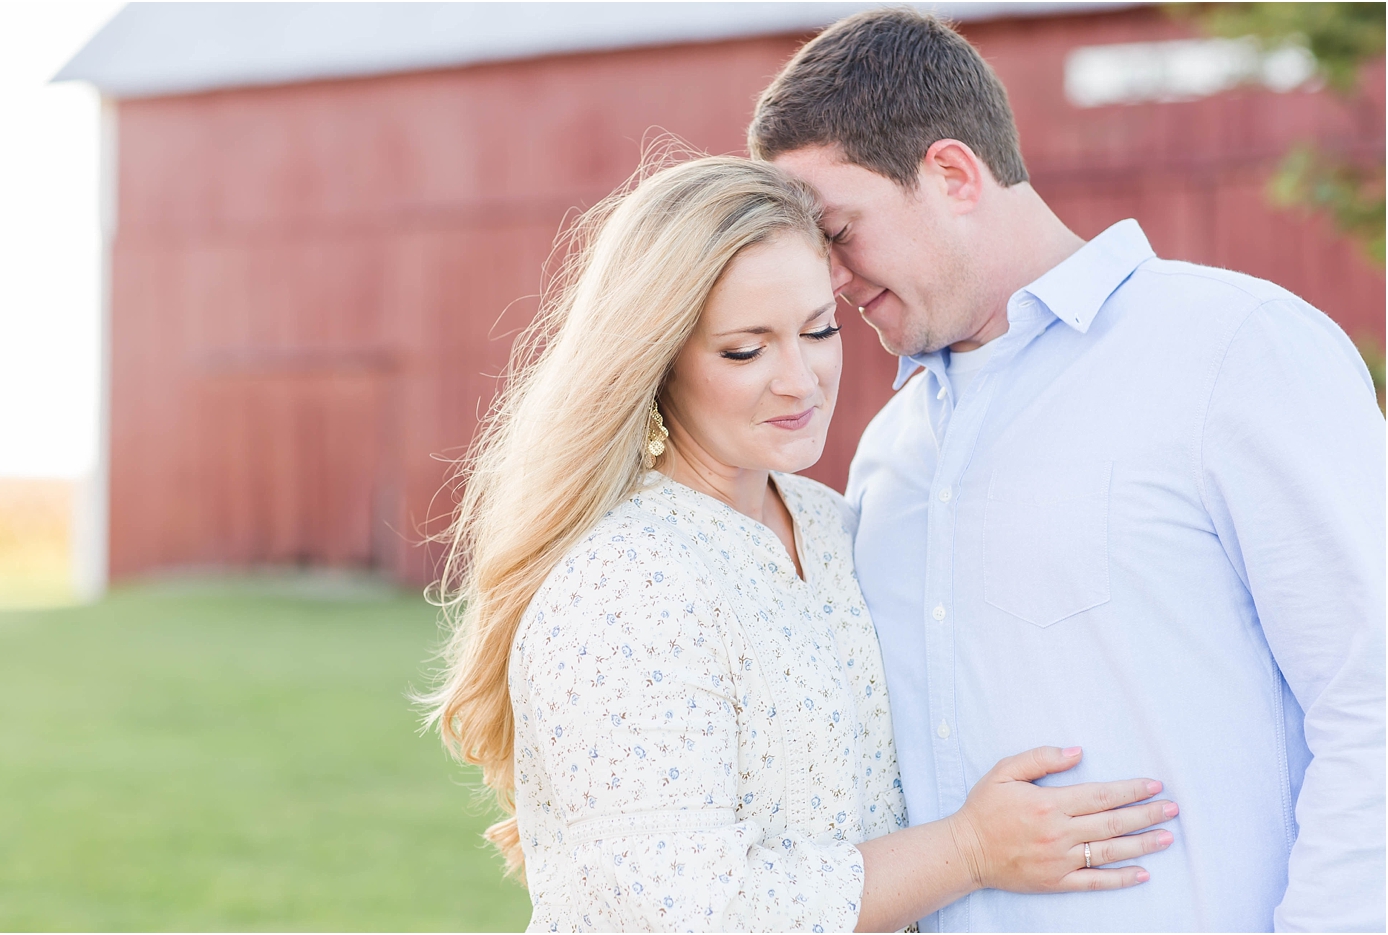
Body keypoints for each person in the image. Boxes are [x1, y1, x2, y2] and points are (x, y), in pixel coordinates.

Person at [750, 9, 1387, 933]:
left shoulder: (1234, 349)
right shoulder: (891, 452)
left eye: (840, 231)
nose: (831, 279)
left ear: (953, 174)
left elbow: (1371, 699)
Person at [423, 155, 1179, 932]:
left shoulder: (828, 522)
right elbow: (693, 910)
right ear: (658, 363)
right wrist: (971, 849)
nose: (801, 379)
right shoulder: (626, 581)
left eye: (819, 330)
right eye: (746, 350)